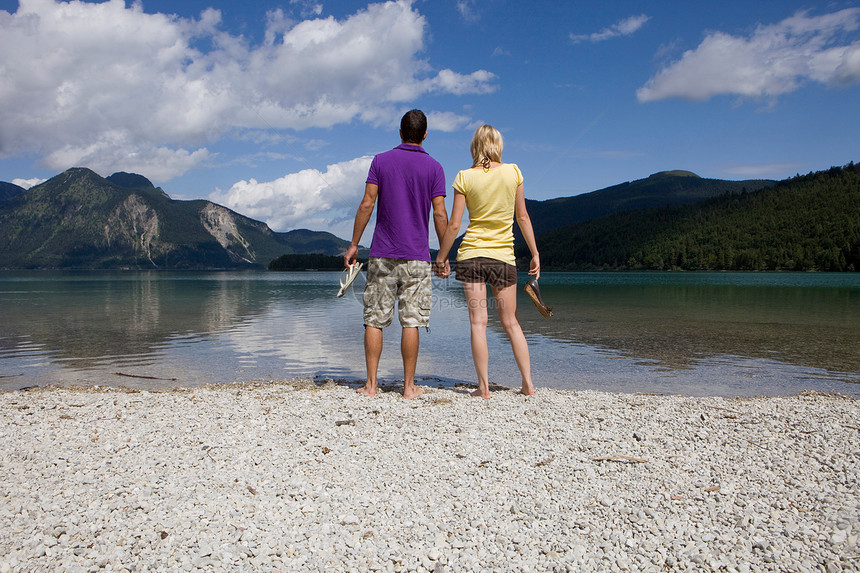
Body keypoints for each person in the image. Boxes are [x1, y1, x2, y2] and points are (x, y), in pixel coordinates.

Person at [344, 109, 448, 399]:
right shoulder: (435, 167)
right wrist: (443, 254)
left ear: (400, 132)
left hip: (382, 253)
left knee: (374, 318)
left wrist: (354, 244)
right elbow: (440, 213)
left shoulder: (380, 161)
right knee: (412, 320)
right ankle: (408, 387)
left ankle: (371, 385)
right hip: (417, 255)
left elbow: (367, 204)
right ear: (425, 135)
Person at [434, 125, 540, 398]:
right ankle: (527, 384)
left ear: (475, 146)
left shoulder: (464, 176)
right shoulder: (514, 172)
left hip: (472, 256)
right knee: (511, 322)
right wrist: (535, 252)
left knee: (478, 323)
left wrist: (441, 257)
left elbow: (455, 224)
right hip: (503, 257)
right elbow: (523, 217)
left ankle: (483, 388)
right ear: (498, 145)